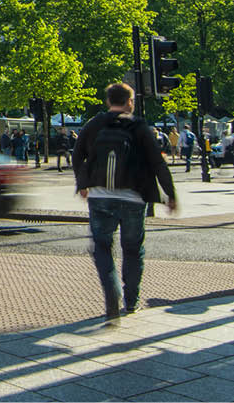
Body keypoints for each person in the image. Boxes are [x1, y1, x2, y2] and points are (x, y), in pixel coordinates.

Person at [72, 82, 177, 324]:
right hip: (133, 198)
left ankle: (112, 295)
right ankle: (131, 301)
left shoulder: (95, 124)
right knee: (132, 249)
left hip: (100, 197)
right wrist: (170, 194)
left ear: (108, 101)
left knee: (102, 247)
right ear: (130, 101)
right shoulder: (139, 127)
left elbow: (77, 154)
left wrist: (83, 184)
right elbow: (157, 163)